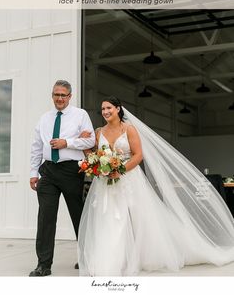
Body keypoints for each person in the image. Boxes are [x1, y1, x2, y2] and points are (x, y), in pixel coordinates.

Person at [78, 96, 234, 276]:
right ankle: (111, 260)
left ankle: (145, 255)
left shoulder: (129, 129)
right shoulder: (98, 132)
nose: (105, 112)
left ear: (118, 109)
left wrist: (119, 170)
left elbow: (138, 156)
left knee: (141, 218)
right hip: (106, 183)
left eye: (109, 108)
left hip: (129, 179)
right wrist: (86, 149)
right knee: (110, 219)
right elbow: (95, 156)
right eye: (103, 109)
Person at [29, 80, 95, 276]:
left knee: (79, 216)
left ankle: (86, 259)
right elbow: (36, 147)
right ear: (52, 96)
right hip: (48, 171)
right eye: (56, 95)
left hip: (71, 171)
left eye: (63, 95)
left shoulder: (80, 115)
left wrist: (67, 142)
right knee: (45, 218)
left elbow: (90, 139)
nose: (59, 98)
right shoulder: (44, 118)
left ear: (70, 96)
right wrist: (34, 172)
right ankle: (43, 264)